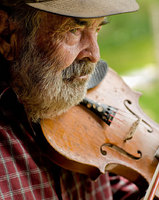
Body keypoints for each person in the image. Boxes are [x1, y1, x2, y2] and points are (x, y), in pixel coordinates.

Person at [0, 0, 142, 199]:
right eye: (74, 30)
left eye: (98, 28)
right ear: (7, 34)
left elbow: (115, 188)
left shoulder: (71, 107)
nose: (95, 54)